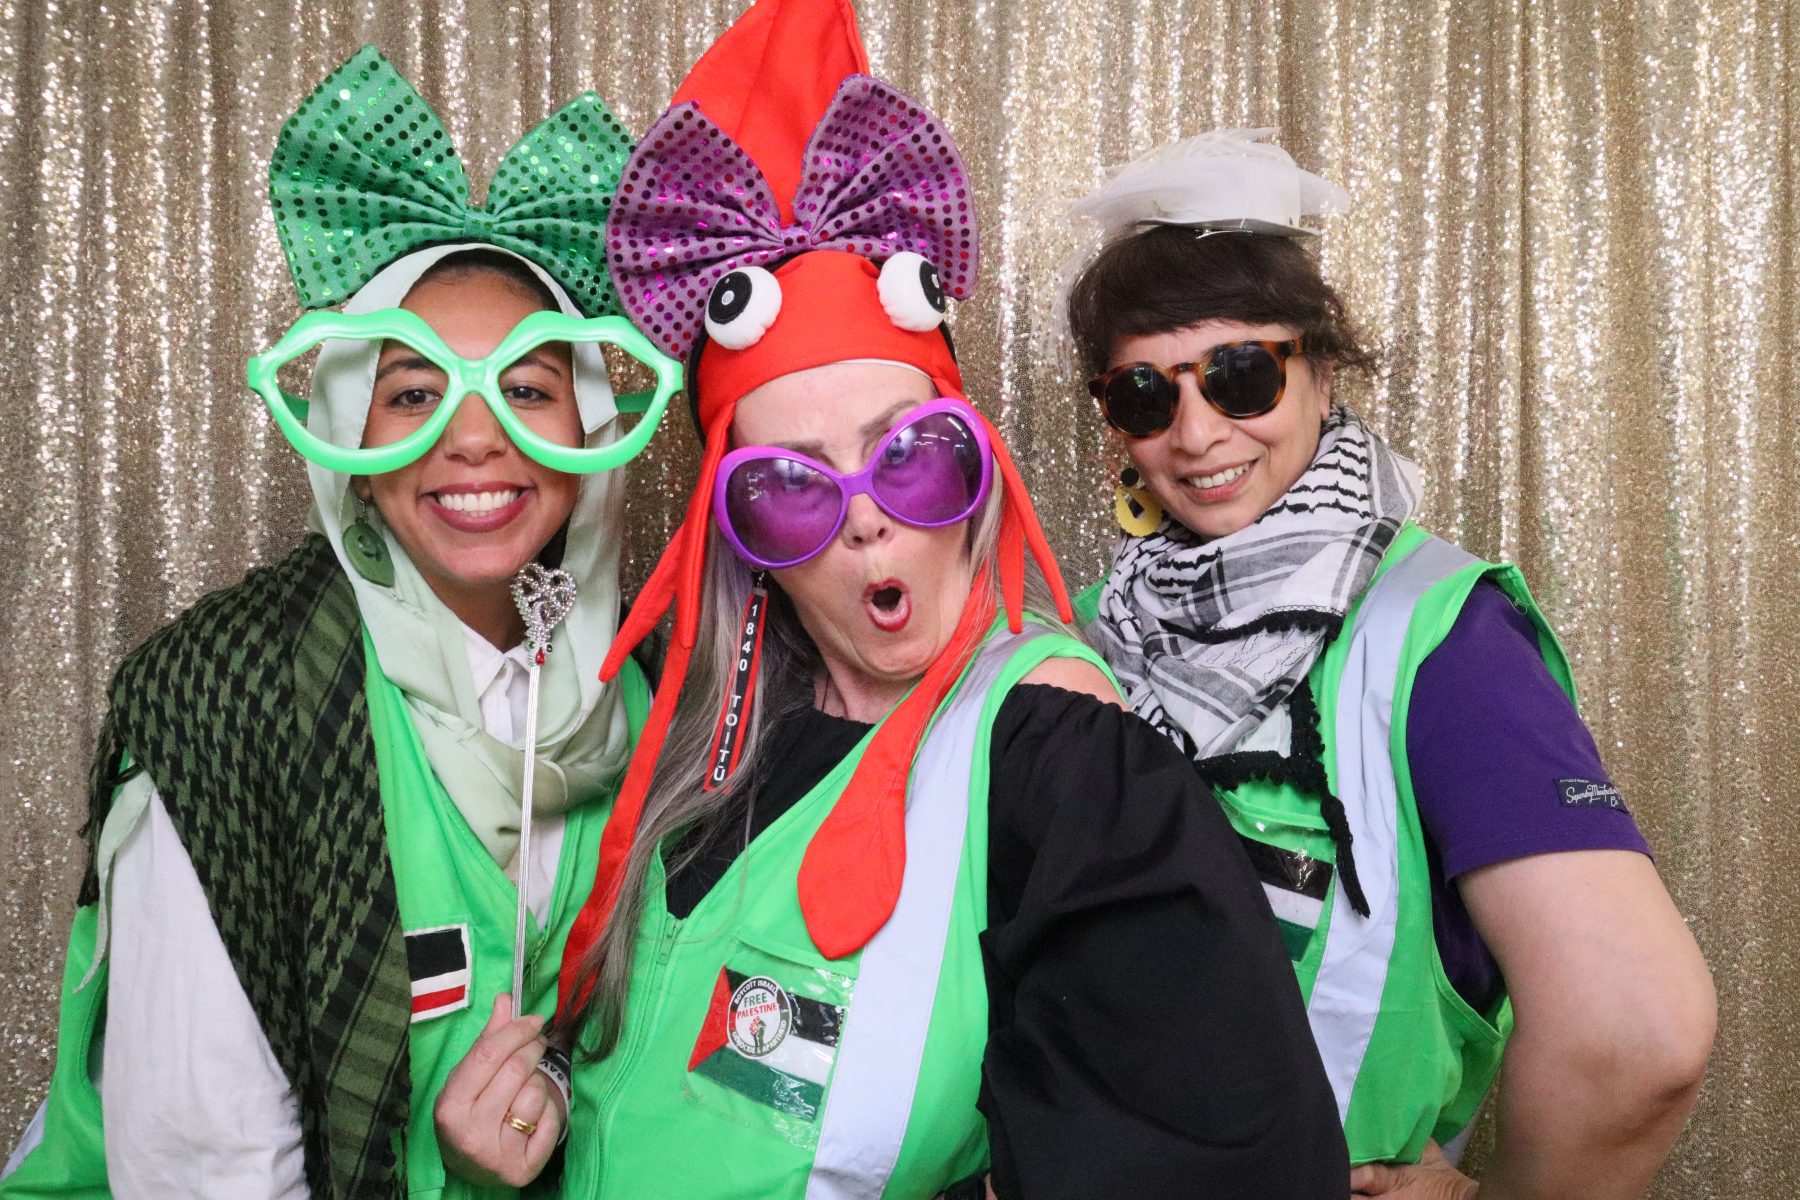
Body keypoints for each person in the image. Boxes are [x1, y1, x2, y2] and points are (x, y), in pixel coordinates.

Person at [429, 2, 1349, 1198]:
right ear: (737, 534)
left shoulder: (1059, 762)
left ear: (978, 466)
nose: (864, 519)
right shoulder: (703, 717)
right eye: (789, 487)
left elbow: (1220, 1160)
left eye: (908, 458)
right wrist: (542, 1102)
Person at [0, 47, 676, 1199]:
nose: (474, 438)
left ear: (592, 434)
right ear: (349, 444)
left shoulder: (655, 686)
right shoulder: (226, 695)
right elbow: (205, 1165)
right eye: (413, 393)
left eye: (526, 388)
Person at [1061, 129, 1716, 1198]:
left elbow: (1639, 1035)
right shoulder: (1088, 631)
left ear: (1321, 374)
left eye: (1239, 375)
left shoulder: (1440, 637)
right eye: (1145, 394)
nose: (1196, 433)